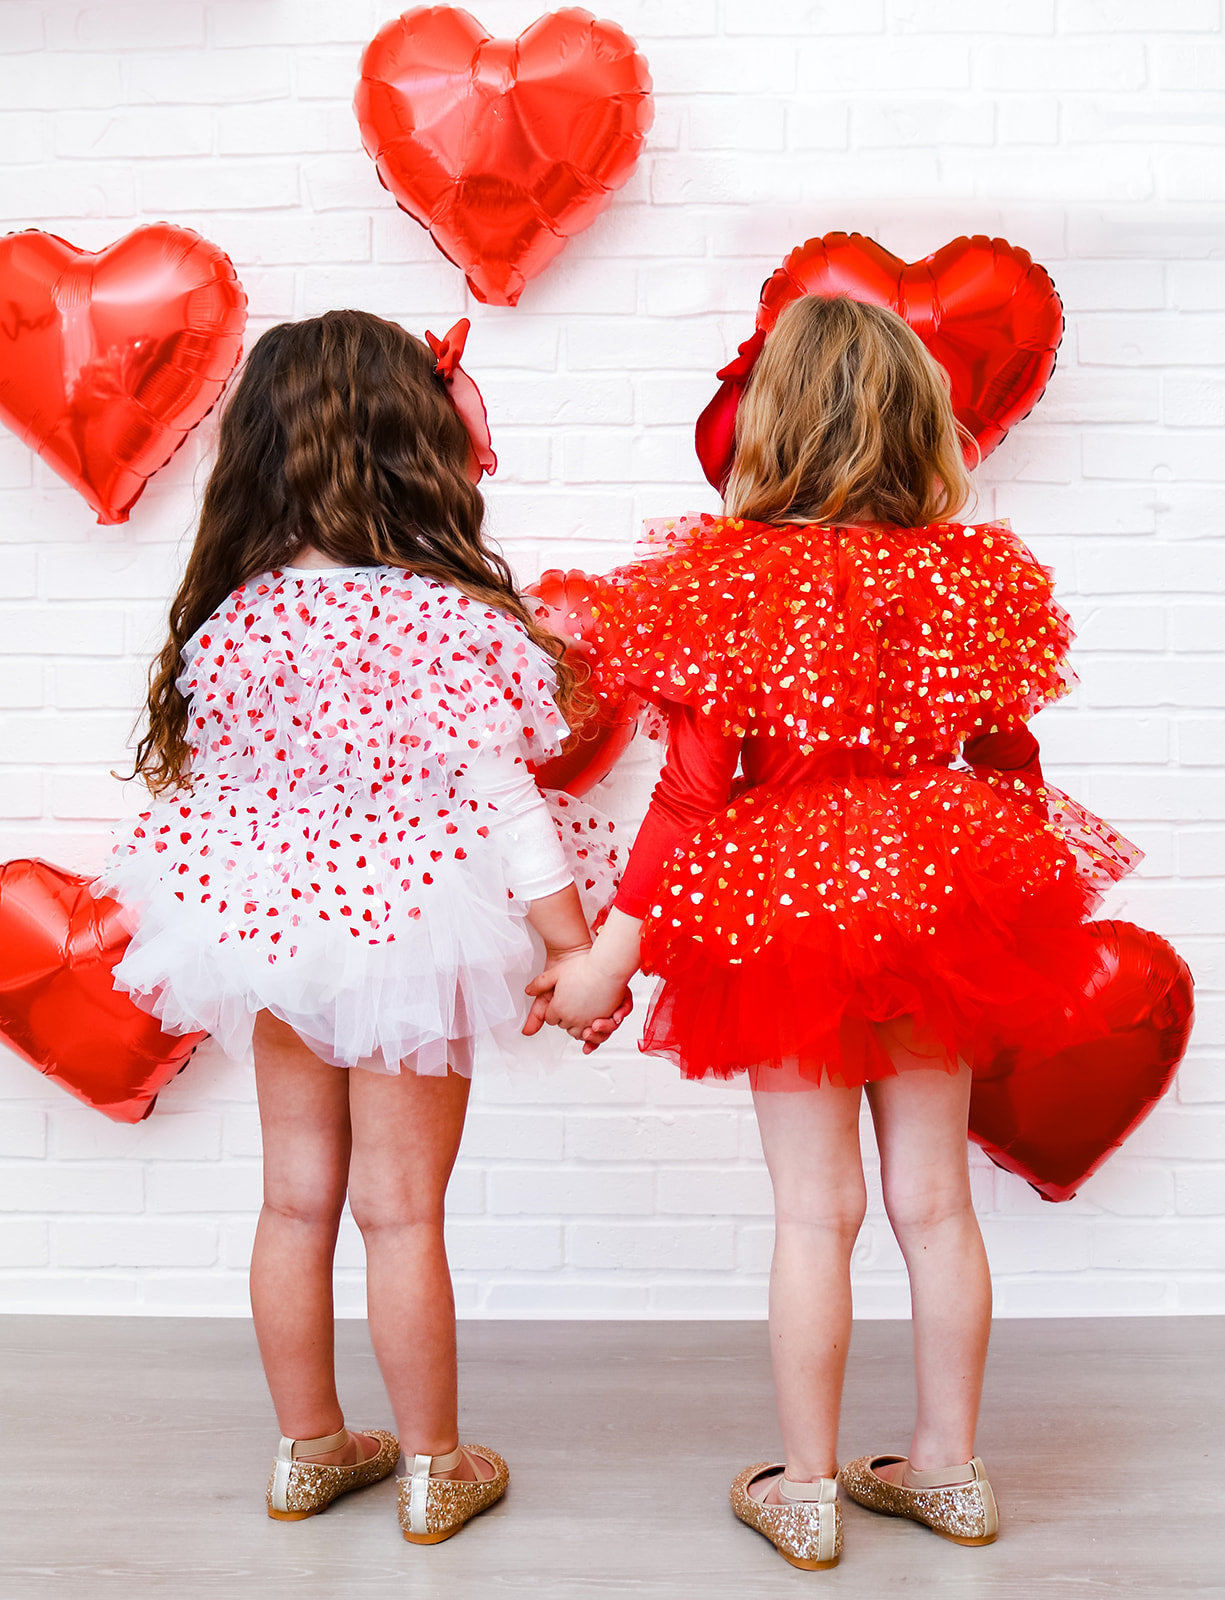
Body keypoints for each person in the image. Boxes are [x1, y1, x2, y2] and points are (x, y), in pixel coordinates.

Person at [527, 295, 1138, 1569]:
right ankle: (950, 1469)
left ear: (771, 427)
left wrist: (602, 962)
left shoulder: (732, 578)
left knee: (816, 1215)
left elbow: (692, 797)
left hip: (785, 902)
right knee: (933, 1205)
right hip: (938, 893)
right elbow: (1009, 769)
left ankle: (804, 1487)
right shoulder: (973, 576)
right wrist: (992, 892)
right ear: (922, 425)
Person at [96, 310, 624, 1544]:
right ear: (412, 443)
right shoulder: (457, 621)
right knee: (402, 1212)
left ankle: (308, 1451)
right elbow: (507, 807)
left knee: (294, 1199)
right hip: (413, 932)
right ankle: (436, 1468)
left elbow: (239, 798)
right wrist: (569, 943)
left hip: (273, 925)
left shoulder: (234, 624)